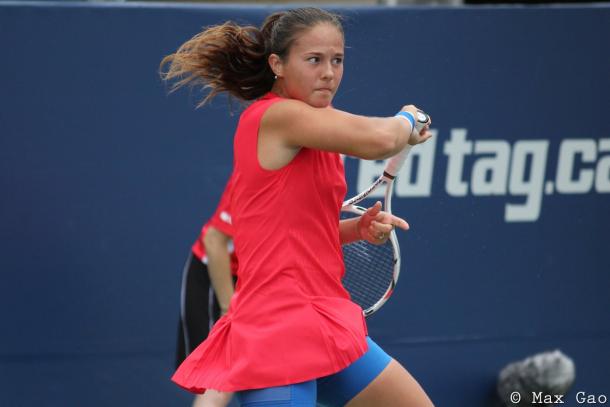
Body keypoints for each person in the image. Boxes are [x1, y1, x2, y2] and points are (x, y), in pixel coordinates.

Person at [162, 7, 434, 406]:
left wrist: (356, 230)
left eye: (337, 60)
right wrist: (408, 119)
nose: (328, 72)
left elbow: (297, 232)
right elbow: (381, 139)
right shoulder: (277, 117)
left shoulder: (317, 122)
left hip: (323, 322)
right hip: (279, 333)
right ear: (278, 64)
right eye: (314, 60)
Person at [175, 176, 237, 407]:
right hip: (218, 278)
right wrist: (229, 308)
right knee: (218, 380)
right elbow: (214, 240)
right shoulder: (258, 174)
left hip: (258, 280)